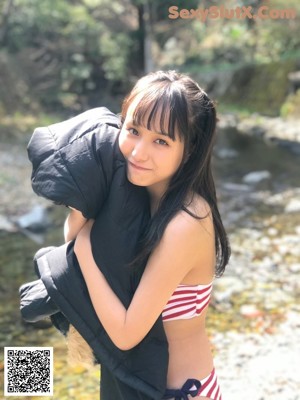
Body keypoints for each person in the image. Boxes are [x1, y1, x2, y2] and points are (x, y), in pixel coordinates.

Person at [20, 70, 230, 400]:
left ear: (189, 150)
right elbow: (72, 234)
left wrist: (86, 253)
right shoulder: (135, 188)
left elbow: (125, 334)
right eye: (133, 130)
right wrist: (86, 203)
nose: (139, 151)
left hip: (178, 392)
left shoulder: (187, 221)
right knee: (25, 352)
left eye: (161, 141)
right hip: (135, 383)